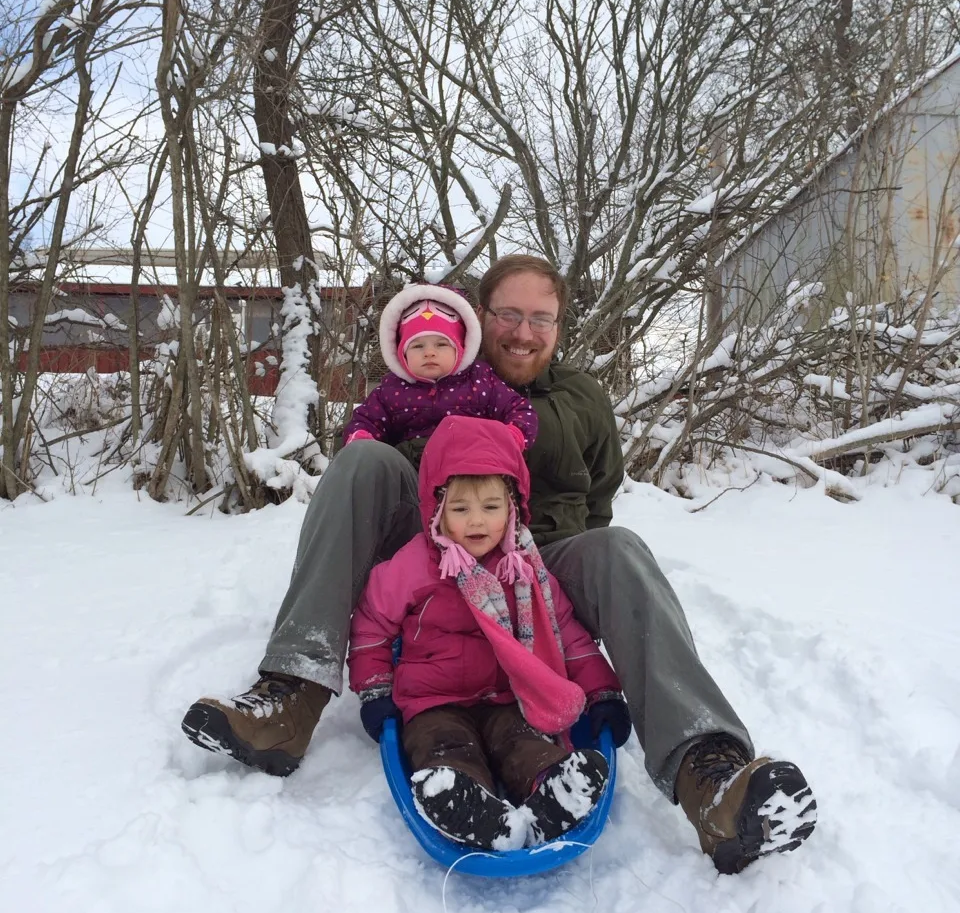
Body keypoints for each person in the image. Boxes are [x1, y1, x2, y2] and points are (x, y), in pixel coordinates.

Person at [182, 255, 817, 875]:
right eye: (509, 314)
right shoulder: (431, 382)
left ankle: (709, 774)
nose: (523, 331)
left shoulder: (582, 398)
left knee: (619, 547)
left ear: (559, 325)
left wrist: (559, 595)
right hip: (435, 552)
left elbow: (599, 498)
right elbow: (381, 457)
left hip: (543, 559)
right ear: (481, 316)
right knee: (360, 462)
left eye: (541, 318)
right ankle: (292, 693)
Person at [348, 415, 629, 849]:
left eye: (491, 507)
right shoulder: (415, 565)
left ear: (512, 508)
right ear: (437, 509)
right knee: (444, 747)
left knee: (523, 743)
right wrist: (375, 690)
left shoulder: (524, 569)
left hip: (507, 697)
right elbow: (372, 625)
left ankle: (552, 789)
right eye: (460, 509)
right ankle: (465, 802)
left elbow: (565, 635)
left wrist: (602, 692)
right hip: (432, 701)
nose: (476, 521)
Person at [341, 280, 538, 454]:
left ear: (460, 349)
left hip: (471, 465)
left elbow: (519, 409)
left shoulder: (480, 380)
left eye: (441, 344)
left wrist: (513, 435)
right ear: (402, 354)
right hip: (410, 469)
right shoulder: (391, 390)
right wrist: (361, 439)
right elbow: (365, 420)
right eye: (418, 346)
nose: (429, 352)